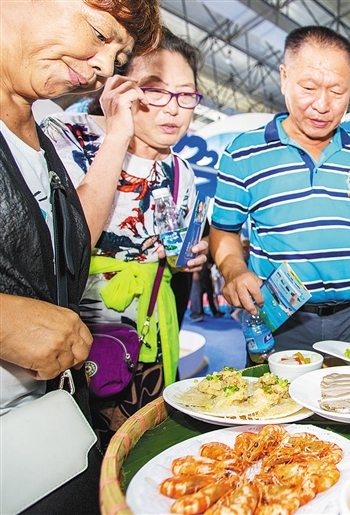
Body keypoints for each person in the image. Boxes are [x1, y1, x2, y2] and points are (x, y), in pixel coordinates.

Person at [0, 0, 161, 511]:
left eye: (117, 58)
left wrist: (117, 135)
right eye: (98, 33)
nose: (102, 67)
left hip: (40, 431)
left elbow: (72, 243)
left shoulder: (34, 134)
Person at [41, 27, 208, 447]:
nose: (173, 109)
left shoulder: (182, 172)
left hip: (151, 333)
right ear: (119, 87)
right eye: (155, 91)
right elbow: (69, 240)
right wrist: (118, 135)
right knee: (79, 449)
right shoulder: (66, 138)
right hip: (79, 335)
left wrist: (184, 258)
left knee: (143, 443)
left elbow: (168, 248)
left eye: (185, 95)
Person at [210, 26, 350, 353]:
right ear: (284, 77)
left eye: (337, 90)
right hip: (280, 320)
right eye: (309, 87)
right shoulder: (243, 153)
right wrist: (234, 269)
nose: (322, 104)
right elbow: (224, 231)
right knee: (272, 402)